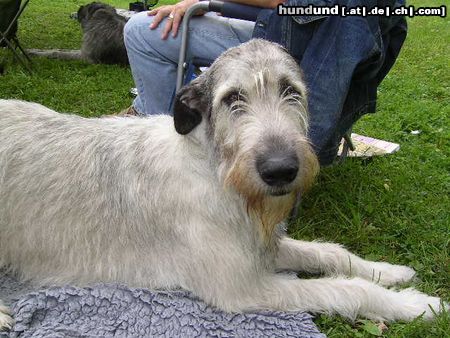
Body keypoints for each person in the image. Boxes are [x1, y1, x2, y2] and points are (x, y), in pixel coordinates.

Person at [124, 0, 283, 116]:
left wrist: (202, 2)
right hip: (266, 21)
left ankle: (156, 130)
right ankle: (143, 107)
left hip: (276, 33)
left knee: (139, 30)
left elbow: (292, 5)